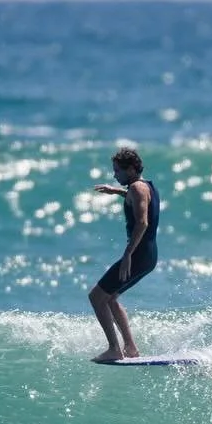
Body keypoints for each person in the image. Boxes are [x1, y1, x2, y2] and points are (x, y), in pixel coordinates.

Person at [88, 147, 159, 363]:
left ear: (130, 169)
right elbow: (138, 197)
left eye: (117, 171)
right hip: (148, 255)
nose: (114, 175)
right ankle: (131, 348)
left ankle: (114, 349)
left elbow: (142, 222)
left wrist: (128, 254)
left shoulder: (137, 188)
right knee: (110, 298)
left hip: (137, 255)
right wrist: (116, 191)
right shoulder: (146, 186)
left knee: (96, 296)